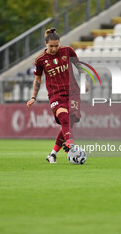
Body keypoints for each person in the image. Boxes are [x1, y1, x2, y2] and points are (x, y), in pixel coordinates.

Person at [27, 28, 83, 163]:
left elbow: (79, 66)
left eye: (56, 46)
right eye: (51, 46)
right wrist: (33, 96)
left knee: (70, 121)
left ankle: (52, 155)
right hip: (55, 94)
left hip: (73, 92)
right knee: (64, 119)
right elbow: (38, 79)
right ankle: (71, 146)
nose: (54, 49)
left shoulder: (68, 51)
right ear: (46, 44)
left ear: (59, 43)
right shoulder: (40, 60)